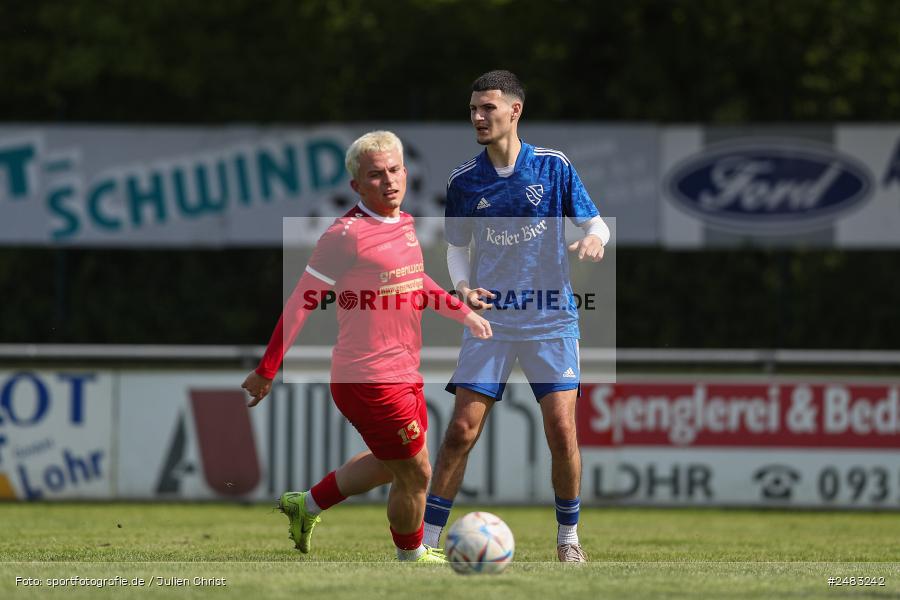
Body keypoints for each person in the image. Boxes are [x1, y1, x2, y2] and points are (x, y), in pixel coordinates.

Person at [241, 130, 492, 563]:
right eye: (375, 175)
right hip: (368, 378)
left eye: (395, 170)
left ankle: (308, 505)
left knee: (387, 463)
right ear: (356, 186)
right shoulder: (345, 236)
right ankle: (411, 558)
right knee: (417, 473)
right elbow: (301, 301)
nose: (389, 180)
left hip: (403, 372)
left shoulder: (407, 224)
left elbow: (418, 282)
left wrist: (461, 310)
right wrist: (267, 369)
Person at [423, 71, 610, 563]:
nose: (479, 117)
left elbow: (595, 223)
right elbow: (457, 249)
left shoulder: (552, 167)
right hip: (492, 322)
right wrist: (462, 288)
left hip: (551, 320)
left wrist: (593, 238)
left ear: (514, 111)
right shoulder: (465, 181)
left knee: (561, 431)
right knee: (462, 429)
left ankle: (568, 540)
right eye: (473, 110)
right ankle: (426, 543)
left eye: (488, 108)